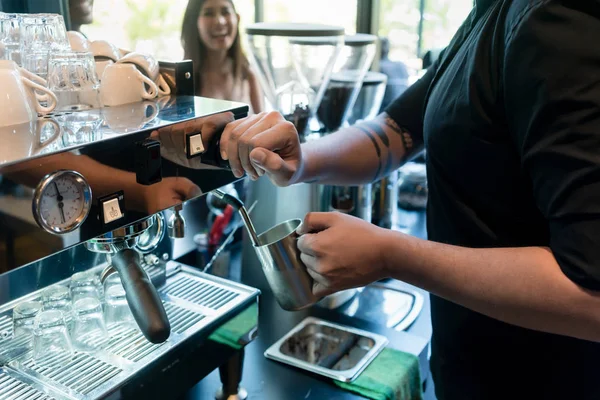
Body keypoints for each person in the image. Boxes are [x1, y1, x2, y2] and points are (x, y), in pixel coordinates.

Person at [218, 1, 600, 399]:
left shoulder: (557, 21)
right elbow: (396, 129)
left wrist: (391, 255)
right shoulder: (490, 13)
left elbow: (591, 298)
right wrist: (303, 160)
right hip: (469, 365)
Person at [181, 0, 263, 113]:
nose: (219, 21)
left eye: (225, 12)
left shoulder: (248, 75)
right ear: (194, 22)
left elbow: (263, 124)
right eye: (208, 13)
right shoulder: (183, 82)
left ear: (237, 18)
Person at [377, 37, 409, 112]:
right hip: (402, 110)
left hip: (387, 110)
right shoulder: (400, 65)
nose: (384, 48)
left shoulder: (378, 66)